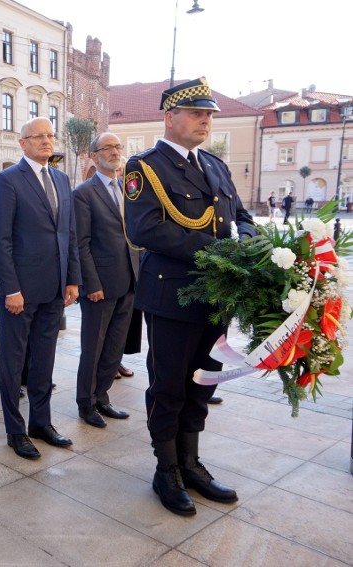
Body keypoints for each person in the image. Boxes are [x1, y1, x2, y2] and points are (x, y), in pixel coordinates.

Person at [123, 77, 257, 517]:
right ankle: (167, 470)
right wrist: (221, 253)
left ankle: (191, 463)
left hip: (215, 298)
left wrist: (250, 244)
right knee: (168, 385)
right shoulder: (145, 167)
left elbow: (240, 216)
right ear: (170, 116)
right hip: (172, 296)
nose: (205, 121)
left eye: (209, 114)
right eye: (197, 113)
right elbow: (144, 229)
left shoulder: (215, 166)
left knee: (202, 382)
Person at [0, 117, 81, 461]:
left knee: (44, 360)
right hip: (20, 293)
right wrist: (10, 288)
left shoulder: (60, 178)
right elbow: (0, 239)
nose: (45, 141)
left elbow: (68, 233)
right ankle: (15, 429)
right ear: (22, 142)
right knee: (13, 363)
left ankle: (42, 422)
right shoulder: (7, 181)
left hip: (54, 288)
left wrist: (72, 278)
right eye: (37, 136)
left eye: (50, 135)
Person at [73, 133, 138, 428]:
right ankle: (86, 404)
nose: (114, 151)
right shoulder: (84, 194)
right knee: (94, 347)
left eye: (118, 146)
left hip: (129, 281)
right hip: (100, 285)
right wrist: (91, 284)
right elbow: (81, 243)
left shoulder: (129, 189)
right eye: (108, 147)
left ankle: (103, 397)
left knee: (114, 346)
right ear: (94, 155)